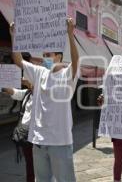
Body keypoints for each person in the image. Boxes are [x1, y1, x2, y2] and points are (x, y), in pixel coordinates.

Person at [10, 18, 79, 182]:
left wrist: (70, 34)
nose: (45, 58)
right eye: (43, 56)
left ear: (58, 57)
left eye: (48, 55)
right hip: (38, 140)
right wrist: (14, 36)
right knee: (42, 179)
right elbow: (18, 61)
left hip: (60, 142)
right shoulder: (39, 72)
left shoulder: (67, 75)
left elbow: (76, 61)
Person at [2, 75, 34, 182]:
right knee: (30, 164)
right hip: (25, 135)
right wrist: (4, 85)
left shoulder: (43, 93)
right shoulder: (27, 93)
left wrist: (29, 83)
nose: (23, 78)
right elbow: (15, 92)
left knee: (39, 165)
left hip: (38, 137)